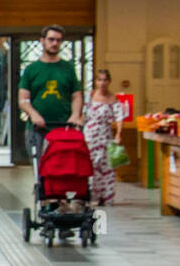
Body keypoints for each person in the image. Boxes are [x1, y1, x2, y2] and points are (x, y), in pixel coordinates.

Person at [17, 24, 83, 161]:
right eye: (51, 39)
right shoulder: (31, 69)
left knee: (62, 167)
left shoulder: (68, 68)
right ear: (42, 40)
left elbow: (76, 95)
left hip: (64, 127)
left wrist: (75, 115)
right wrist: (33, 114)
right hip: (37, 129)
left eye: (58, 40)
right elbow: (23, 99)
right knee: (40, 168)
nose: (55, 43)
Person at [84, 68, 124, 205]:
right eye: (99, 80)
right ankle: (92, 195)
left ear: (109, 81)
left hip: (105, 133)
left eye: (105, 80)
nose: (102, 83)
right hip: (90, 134)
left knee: (106, 165)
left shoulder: (113, 98)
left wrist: (118, 133)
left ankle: (107, 196)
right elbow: (82, 113)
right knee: (91, 164)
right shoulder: (89, 96)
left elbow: (119, 116)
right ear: (95, 81)